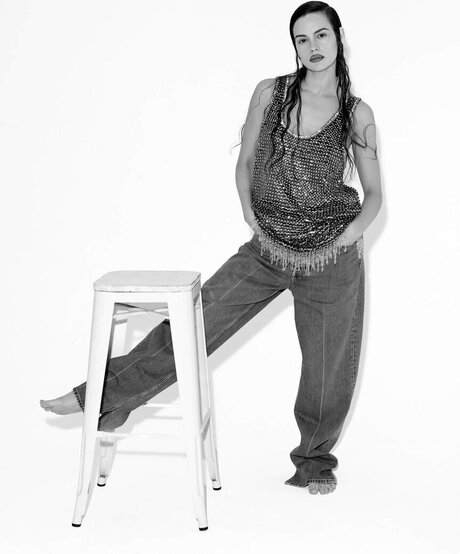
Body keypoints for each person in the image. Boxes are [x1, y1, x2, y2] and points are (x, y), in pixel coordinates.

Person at [40, 1, 382, 495]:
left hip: (331, 259)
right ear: (294, 46)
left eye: (321, 35)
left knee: (326, 371)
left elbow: (375, 196)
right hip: (268, 249)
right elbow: (245, 162)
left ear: (338, 38)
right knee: (194, 324)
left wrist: (348, 237)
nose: (312, 47)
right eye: (302, 39)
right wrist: (248, 212)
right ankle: (103, 396)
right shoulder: (271, 92)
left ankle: (314, 461)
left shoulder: (357, 114)